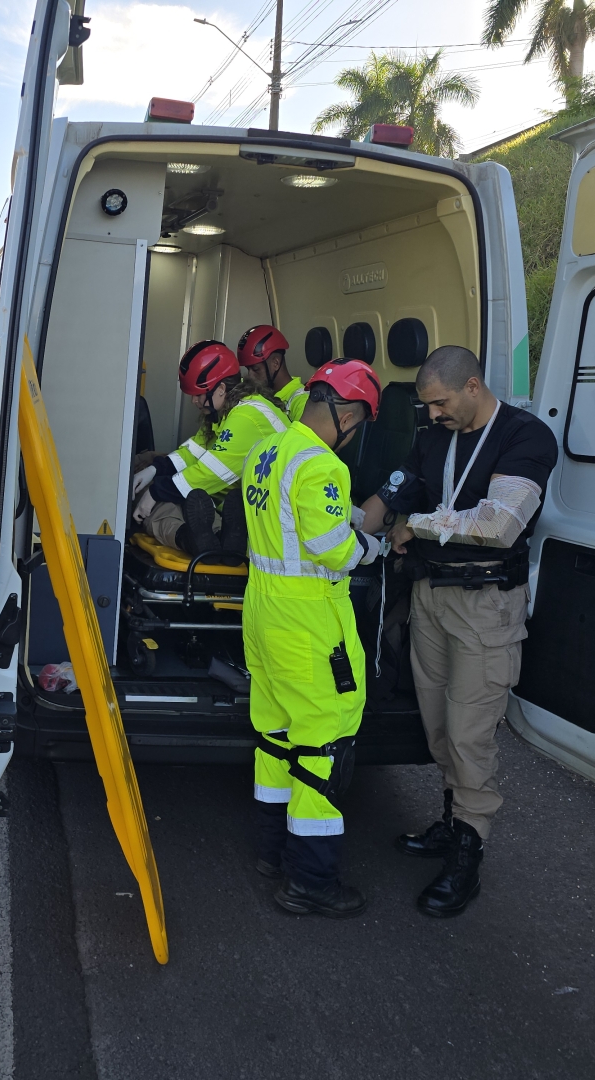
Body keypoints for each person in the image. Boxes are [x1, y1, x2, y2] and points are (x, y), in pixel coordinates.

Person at [358, 345, 558, 917]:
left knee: (471, 732)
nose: (433, 415)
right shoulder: (433, 437)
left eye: (440, 403)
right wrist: (345, 534)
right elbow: (396, 494)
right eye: (427, 406)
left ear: (472, 386)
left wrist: (411, 526)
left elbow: (497, 523)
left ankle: (468, 853)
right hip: (431, 597)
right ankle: (453, 822)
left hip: (484, 606)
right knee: (439, 725)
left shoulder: (524, 437)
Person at [242, 358, 382, 918]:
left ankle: (270, 853)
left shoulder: (269, 450)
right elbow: (333, 548)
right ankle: (311, 881)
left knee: (275, 736)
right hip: (308, 624)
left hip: (264, 615)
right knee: (324, 742)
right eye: (360, 422)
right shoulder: (323, 466)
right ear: (347, 413)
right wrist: (370, 547)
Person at [132, 340, 288, 557]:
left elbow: (207, 474)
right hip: (254, 505)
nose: (194, 401)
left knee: (163, 504)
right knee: (154, 467)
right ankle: (216, 534)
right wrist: (155, 470)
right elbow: (193, 452)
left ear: (221, 389)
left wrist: (154, 492)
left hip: (268, 515)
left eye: (198, 394)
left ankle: (198, 538)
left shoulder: (246, 417)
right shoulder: (231, 409)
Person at [237, 324, 309, 422]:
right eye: (248, 369)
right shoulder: (257, 388)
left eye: (255, 369)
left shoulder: (301, 402)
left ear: (275, 363)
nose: (250, 376)